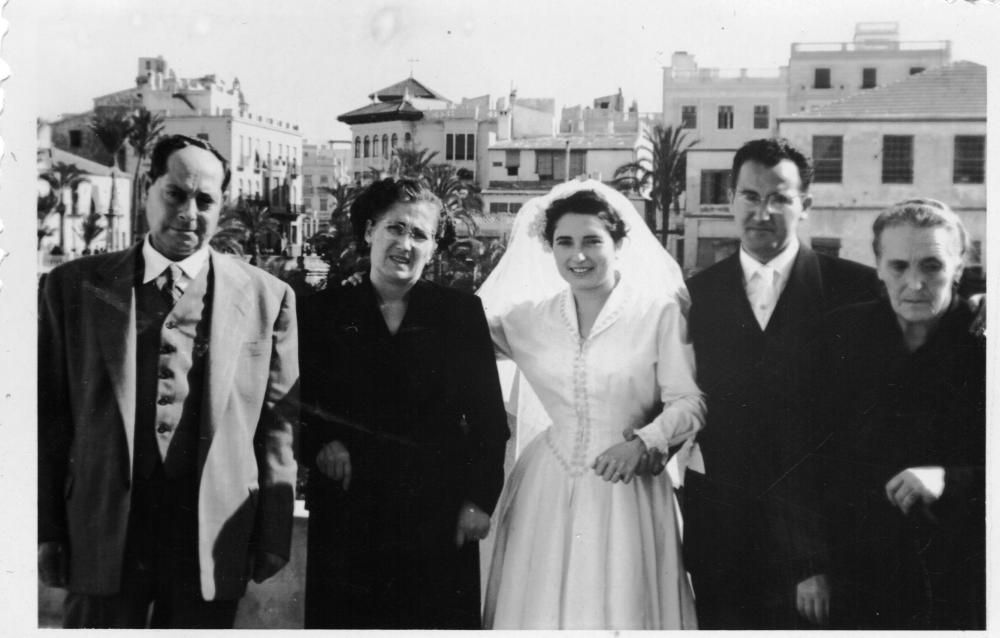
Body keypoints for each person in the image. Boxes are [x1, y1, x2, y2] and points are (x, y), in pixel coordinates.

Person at [37, 134, 299, 628]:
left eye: (205, 200)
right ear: (146, 192)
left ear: (223, 205)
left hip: (211, 534)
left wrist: (273, 535)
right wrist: (45, 527)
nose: (189, 212)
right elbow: (47, 419)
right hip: (102, 527)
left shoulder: (269, 297)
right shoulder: (72, 286)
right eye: (175, 194)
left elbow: (279, 425)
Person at [479, 180, 703, 629]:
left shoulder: (658, 314)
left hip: (628, 489)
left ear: (618, 244)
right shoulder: (529, 318)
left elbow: (691, 402)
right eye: (564, 242)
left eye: (591, 242)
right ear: (550, 248)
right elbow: (458, 330)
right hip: (547, 484)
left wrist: (644, 443)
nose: (577, 256)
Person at [682, 138, 882, 629]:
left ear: (805, 206)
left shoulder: (857, 289)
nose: (762, 211)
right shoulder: (695, 295)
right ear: (731, 200)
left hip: (820, 544)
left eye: (780, 198)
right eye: (750, 196)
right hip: (721, 534)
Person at [298, 177, 509, 629]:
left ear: (434, 248)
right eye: (395, 228)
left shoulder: (460, 314)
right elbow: (295, 403)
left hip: (436, 517)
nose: (405, 243)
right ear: (370, 231)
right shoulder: (321, 312)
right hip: (348, 513)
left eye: (420, 235)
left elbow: (491, 421)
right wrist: (322, 441)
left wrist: (479, 501)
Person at [822, 199, 985, 629]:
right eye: (898, 267)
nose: (915, 283)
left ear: (959, 265)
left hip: (962, 576)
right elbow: (806, 456)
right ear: (876, 266)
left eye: (931, 266)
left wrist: (950, 479)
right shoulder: (841, 334)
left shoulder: (986, 341)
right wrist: (809, 562)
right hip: (860, 574)